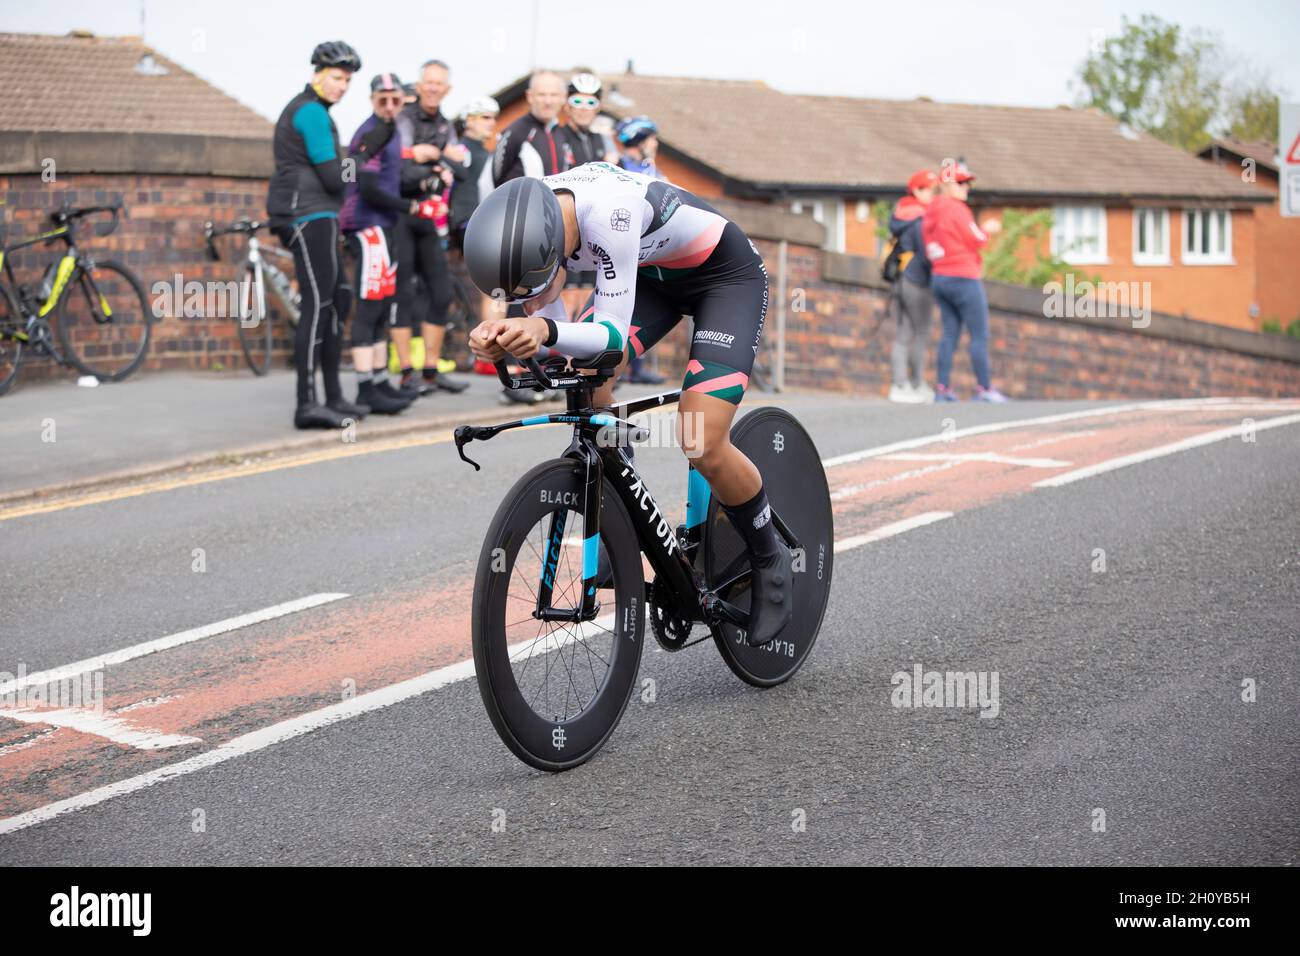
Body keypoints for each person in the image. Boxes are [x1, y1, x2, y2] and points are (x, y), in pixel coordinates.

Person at [461, 166, 793, 648]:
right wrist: (502, 338)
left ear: (551, 254)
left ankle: (769, 556)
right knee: (588, 384)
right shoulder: (524, 223)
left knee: (701, 440)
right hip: (650, 277)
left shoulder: (608, 213)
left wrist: (545, 333)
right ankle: (622, 507)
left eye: (530, 294)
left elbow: (610, 339)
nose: (528, 306)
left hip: (723, 279)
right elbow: (552, 335)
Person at [267, 41, 366, 429]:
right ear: (317, 74)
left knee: (337, 299)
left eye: (347, 81)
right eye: (338, 78)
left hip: (319, 215)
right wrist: (356, 164)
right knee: (319, 303)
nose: (342, 86)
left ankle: (334, 396)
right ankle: (306, 404)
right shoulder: (309, 111)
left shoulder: (318, 111)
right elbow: (332, 176)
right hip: (305, 215)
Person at [339, 72, 431, 416]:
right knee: (368, 307)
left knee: (380, 306)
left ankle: (378, 382)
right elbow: (365, 185)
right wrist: (410, 206)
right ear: (372, 99)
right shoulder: (371, 131)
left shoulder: (389, 130)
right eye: (383, 99)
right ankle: (365, 387)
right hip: (367, 225)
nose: (391, 105)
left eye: (397, 99)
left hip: (382, 225)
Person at [394, 58, 470, 396]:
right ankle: (406, 373)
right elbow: (399, 170)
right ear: (420, 84)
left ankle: (429, 371)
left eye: (441, 83)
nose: (434, 88)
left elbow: (461, 169)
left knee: (440, 293)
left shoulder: (445, 125)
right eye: (429, 82)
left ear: (447, 89)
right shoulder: (404, 118)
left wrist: (429, 154)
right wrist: (438, 162)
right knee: (402, 294)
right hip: (400, 215)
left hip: (430, 218)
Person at [922, 161, 1007, 402]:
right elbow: (977, 239)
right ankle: (984, 389)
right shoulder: (957, 209)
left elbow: (929, 246)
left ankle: (942, 388)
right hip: (963, 277)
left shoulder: (930, 211)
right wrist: (988, 228)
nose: (966, 187)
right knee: (979, 334)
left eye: (967, 183)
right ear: (947, 185)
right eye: (961, 183)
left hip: (940, 277)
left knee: (949, 333)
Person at [887, 169, 937, 403]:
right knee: (921, 332)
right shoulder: (921, 217)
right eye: (931, 189)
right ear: (917, 190)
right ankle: (915, 384)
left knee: (903, 332)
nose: (934, 194)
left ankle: (900, 383)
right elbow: (928, 252)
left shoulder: (901, 213)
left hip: (900, 277)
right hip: (917, 279)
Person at [493, 70, 571, 184]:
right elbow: (496, 179)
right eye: (541, 94)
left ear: (563, 97)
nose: (548, 101)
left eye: (553, 95)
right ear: (530, 96)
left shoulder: (563, 134)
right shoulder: (515, 131)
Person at [448, 96, 499, 250]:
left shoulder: (484, 151)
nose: (492, 122)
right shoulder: (460, 151)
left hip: (484, 222)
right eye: (485, 117)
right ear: (469, 121)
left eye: (493, 118)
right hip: (467, 223)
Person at [556, 73, 618, 167]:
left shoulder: (603, 140)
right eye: (577, 101)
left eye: (591, 103)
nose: (584, 109)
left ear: (598, 108)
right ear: (567, 106)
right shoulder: (555, 137)